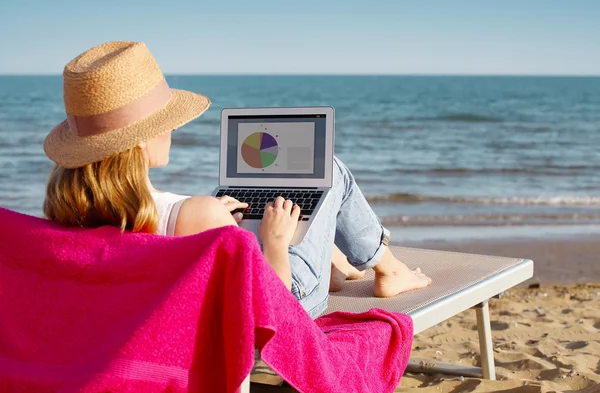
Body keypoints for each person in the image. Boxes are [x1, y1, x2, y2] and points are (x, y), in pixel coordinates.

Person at [43, 41, 431, 318]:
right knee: (330, 170)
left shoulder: (67, 221)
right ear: (142, 138)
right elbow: (273, 314)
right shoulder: (197, 216)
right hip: (282, 303)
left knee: (282, 215)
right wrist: (274, 241)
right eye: (167, 122)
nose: (172, 130)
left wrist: (216, 221)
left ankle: (332, 259)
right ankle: (387, 269)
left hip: (169, 310)